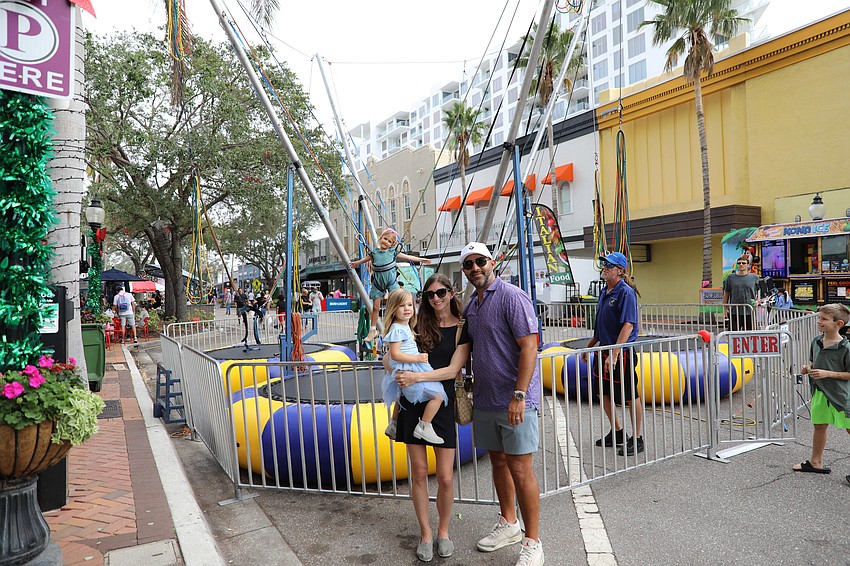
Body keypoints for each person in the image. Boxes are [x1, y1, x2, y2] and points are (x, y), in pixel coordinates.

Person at [458, 242, 544, 566]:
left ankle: (533, 542)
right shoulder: (472, 306)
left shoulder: (511, 296)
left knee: (522, 470)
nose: (475, 268)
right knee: (498, 463)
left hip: (515, 401)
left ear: (492, 262)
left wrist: (519, 395)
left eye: (480, 261)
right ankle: (509, 522)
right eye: (468, 264)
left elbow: (530, 347)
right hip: (485, 400)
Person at [394, 273, 470, 561]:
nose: (435, 298)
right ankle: (425, 533)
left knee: (446, 477)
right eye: (430, 294)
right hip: (413, 402)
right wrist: (396, 369)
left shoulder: (463, 328)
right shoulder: (416, 323)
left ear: (451, 293)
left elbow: (452, 371)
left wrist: (416, 375)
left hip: (443, 403)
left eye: (441, 292)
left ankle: (444, 531)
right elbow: (392, 353)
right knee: (419, 472)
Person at [582, 252, 644, 456]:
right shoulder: (604, 290)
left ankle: (637, 438)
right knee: (604, 392)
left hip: (621, 353)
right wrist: (591, 345)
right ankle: (617, 431)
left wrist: (615, 354)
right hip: (603, 351)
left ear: (620, 270)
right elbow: (601, 325)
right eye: (603, 264)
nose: (604, 267)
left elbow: (628, 325)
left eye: (609, 265)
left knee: (629, 395)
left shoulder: (625, 292)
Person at [382, 288, 446, 447]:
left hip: (412, 367)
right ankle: (424, 425)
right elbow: (395, 354)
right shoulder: (397, 329)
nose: (407, 309)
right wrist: (417, 357)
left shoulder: (404, 327)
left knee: (400, 396)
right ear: (393, 308)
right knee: (439, 394)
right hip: (412, 367)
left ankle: (394, 424)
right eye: (401, 305)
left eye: (409, 305)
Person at [792, 304, 850, 478]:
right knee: (819, 426)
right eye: (819, 318)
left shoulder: (846, 348)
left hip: (840, 395)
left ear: (838, 323)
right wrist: (807, 366)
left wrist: (827, 374)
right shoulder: (816, 341)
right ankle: (815, 462)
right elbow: (812, 361)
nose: (819, 321)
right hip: (819, 393)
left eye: (824, 319)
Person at [349, 228, 432, 342]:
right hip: (378, 282)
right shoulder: (374, 253)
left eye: (389, 241)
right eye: (384, 239)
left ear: (392, 244)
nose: (385, 242)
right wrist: (356, 263)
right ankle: (373, 330)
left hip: (391, 281)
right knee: (375, 308)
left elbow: (408, 257)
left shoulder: (393, 252)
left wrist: (421, 260)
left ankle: (406, 327)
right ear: (380, 238)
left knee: (399, 304)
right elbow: (365, 259)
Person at [723, 256, 759, 331]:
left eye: (743, 263)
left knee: (750, 335)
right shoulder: (730, 278)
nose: (741, 265)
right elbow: (726, 293)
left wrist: (758, 301)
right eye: (739, 263)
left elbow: (759, 291)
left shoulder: (754, 277)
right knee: (733, 335)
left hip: (749, 311)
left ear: (748, 265)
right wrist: (725, 308)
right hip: (734, 311)